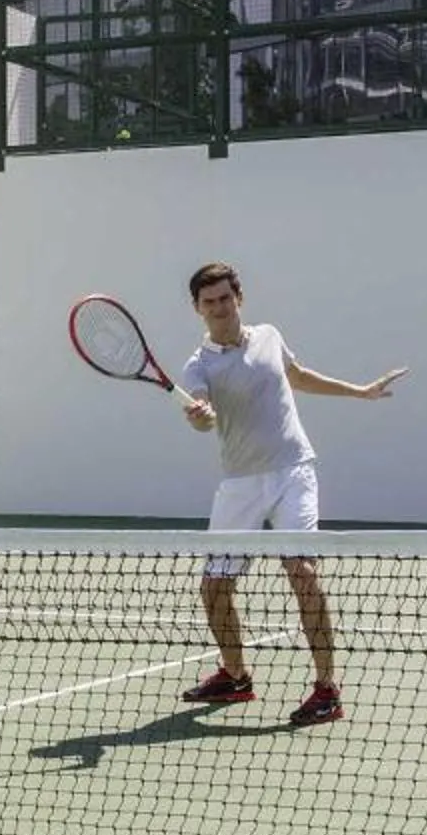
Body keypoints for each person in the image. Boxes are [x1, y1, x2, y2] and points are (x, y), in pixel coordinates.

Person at [170, 261, 405, 727]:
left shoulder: (270, 336)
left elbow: (297, 376)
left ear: (240, 298)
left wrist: (358, 392)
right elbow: (204, 415)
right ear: (197, 308)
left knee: (302, 571)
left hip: (293, 471)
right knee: (214, 587)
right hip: (239, 483)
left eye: (225, 298)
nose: (218, 307)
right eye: (208, 301)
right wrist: (200, 417)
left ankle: (327, 689)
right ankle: (235, 677)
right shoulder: (198, 367)